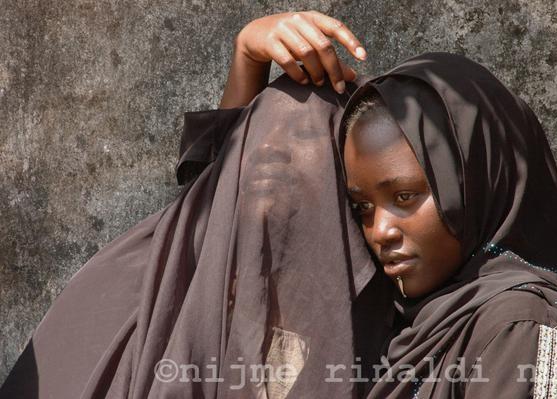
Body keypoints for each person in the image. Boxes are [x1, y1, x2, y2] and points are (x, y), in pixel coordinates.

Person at [0, 12, 392, 398]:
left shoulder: (366, 319)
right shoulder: (152, 281)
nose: (272, 151)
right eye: (259, 132)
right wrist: (247, 55)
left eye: (303, 134)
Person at [340, 52, 557, 398]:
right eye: (363, 208)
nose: (379, 231)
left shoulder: (516, 329)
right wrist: (249, 67)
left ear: (478, 186)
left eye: (404, 197)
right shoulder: (406, 327)